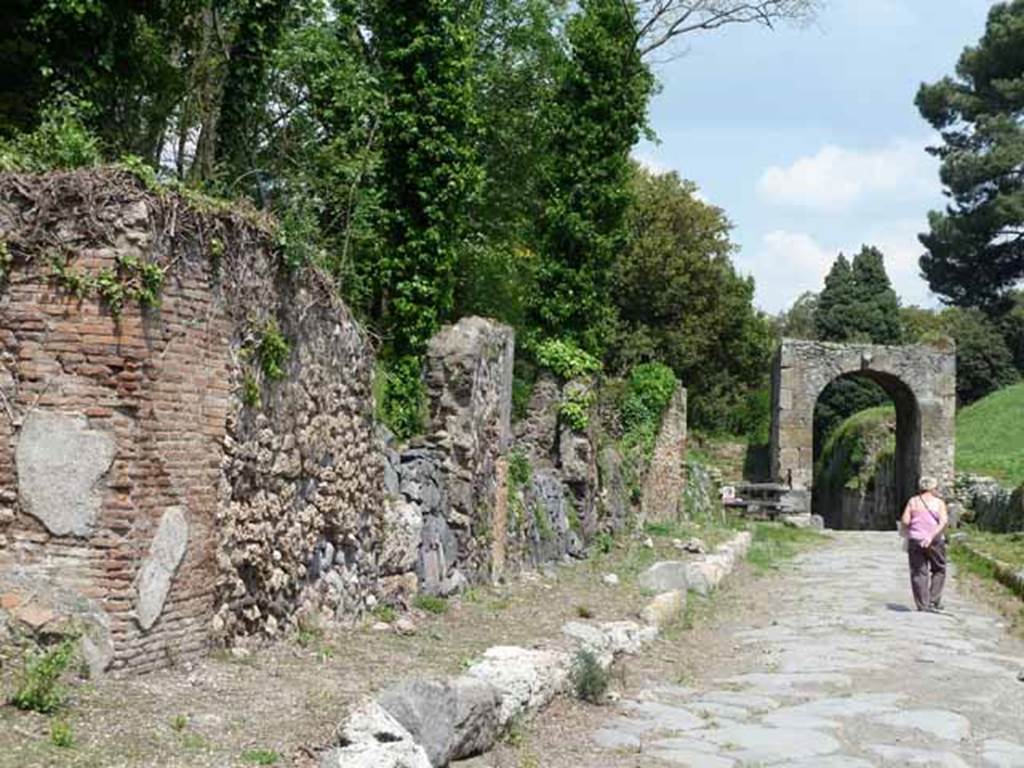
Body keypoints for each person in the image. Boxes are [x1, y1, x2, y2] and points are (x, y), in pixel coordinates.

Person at [900, 476, 949, 612]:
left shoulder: (913, 501)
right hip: (934, 540)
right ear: (933, 488)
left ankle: (922, 604)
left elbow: (905, 521)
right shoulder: (939, 503)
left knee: (918, 572)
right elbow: (943, 521)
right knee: (939, 569)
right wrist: (931, 535)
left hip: (915, 540)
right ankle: (933, 600)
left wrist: (908, 532)